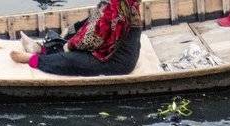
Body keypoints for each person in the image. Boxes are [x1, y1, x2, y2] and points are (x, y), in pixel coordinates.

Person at [9, 0, 143, 76]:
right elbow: (95, 24)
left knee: (69, 60)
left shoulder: (117, 8)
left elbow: (95, 38)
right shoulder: (114, 4)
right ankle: (44, 49)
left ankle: (33, 59)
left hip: (116, 61)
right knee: (79, 28)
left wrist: (70, 45)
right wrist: (72, 36)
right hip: (107, 50)